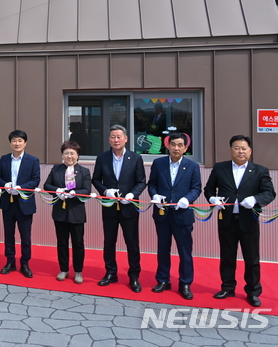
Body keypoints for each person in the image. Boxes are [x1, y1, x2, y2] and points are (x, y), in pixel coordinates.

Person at [204, 135, 276, 307]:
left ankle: (253, 291)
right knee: (227, 256)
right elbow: (208, 189)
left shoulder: (260, 171)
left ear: (250, 151)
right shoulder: (220, 168)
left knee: (251, 258)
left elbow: (270, 193)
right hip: (226, 220)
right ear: (231, 150)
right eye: (237, 148)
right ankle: (227, 287)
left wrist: (255, 199)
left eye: (244, 148)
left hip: (248, 221)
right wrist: (212, 199)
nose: (240, 151)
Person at [92, 125, 147, 292]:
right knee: (109, 241)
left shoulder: (135, 158)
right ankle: (110, 272)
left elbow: (141, 181)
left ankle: (134, 276)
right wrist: (105, 191)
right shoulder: (102, 158)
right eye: (113, 137)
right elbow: (96, 179)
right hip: (109, 207)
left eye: (119, 137)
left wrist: (132, 195)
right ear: (109, 139)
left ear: (126, 139)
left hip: (129, 208)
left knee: (132, 242)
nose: (116, 140)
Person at [147, 133, 201, 300]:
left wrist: (187, 199)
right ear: (167, 146)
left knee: (185, 251)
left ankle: (185, 282)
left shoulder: (192, 166)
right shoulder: (158, 163)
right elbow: (152, 184)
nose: (176, 148)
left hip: (183, 214)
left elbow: (196, 188)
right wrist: (155, 196)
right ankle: (163, 279)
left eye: (180, 145)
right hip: (162, 213)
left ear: (185, 148)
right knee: (163, 249)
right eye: (173, 144)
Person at [44, 140, 92, 284]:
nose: (69, 156)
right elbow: (47, 185)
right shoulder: (56, 169)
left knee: (78, 243)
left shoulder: (84, 171)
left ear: (77, 155)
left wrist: (75, 193)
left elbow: (87, 190)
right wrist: (57, 191)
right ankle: (63, 269)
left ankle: (78, 271)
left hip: (76, 212)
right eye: (66, 153)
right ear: (62, 155)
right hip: (60, 212)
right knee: (62, 242)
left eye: (72, 153)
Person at [0, 130, 41, 278]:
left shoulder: (33, 160)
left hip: (24, 202)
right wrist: (6, 185)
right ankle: (10, 262)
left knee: (25, 236)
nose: (17, 143)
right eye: (14, 141)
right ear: (10, 143)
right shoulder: (4, 159)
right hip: (8, 202)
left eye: (20, 141)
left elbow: (35, 180)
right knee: (9, 234)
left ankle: (25, 263)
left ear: (25, 143)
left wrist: (22, 188)